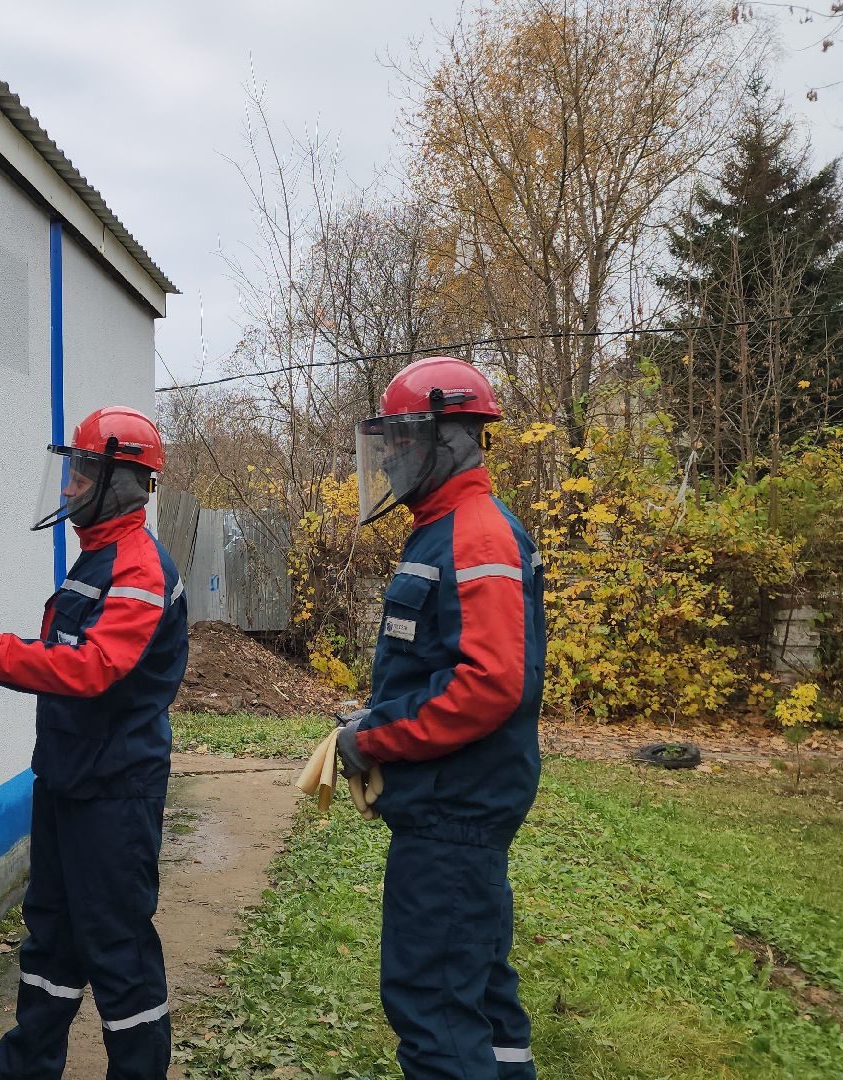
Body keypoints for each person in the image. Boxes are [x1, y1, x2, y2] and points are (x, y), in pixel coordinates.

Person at [0, 405, 189, 1080]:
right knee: (53, 942)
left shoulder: (137, 569)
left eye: (83, 472)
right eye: (70, 472)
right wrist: (4, 650)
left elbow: (94, 667)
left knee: (117, 950)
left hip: (115, 791)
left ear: (124, 480)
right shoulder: (96, 559)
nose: (68, 488)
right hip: (70, 779)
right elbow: (63, 650)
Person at [333, 355, 546, 1080]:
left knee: (433, 1008)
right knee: (482, 995)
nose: (389, 455)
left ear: (449, 437)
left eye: (399, 438)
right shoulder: (443, 526)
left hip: (455, 811)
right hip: (456, 807)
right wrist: (376, 713)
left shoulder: (476, 533)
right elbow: (442, 663)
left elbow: (489, 685)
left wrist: (372, 738)